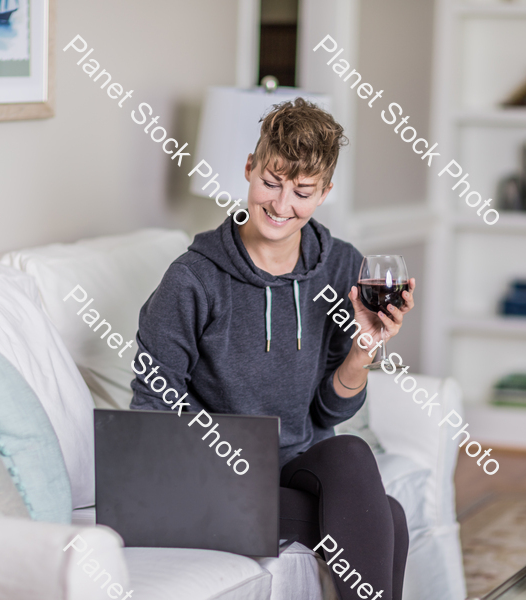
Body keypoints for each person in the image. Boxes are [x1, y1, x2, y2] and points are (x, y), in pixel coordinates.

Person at [130, 98, 415, 599]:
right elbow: (152, 405)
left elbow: (331, 407)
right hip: (206, 477)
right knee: (386, 516)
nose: (282, 205)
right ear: (249, 169)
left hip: (291, 468)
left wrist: (362, 349)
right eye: (271, 182)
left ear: (324, 193)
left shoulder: (342, 266)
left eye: (302, 191)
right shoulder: (193, 278)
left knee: (349, 454)